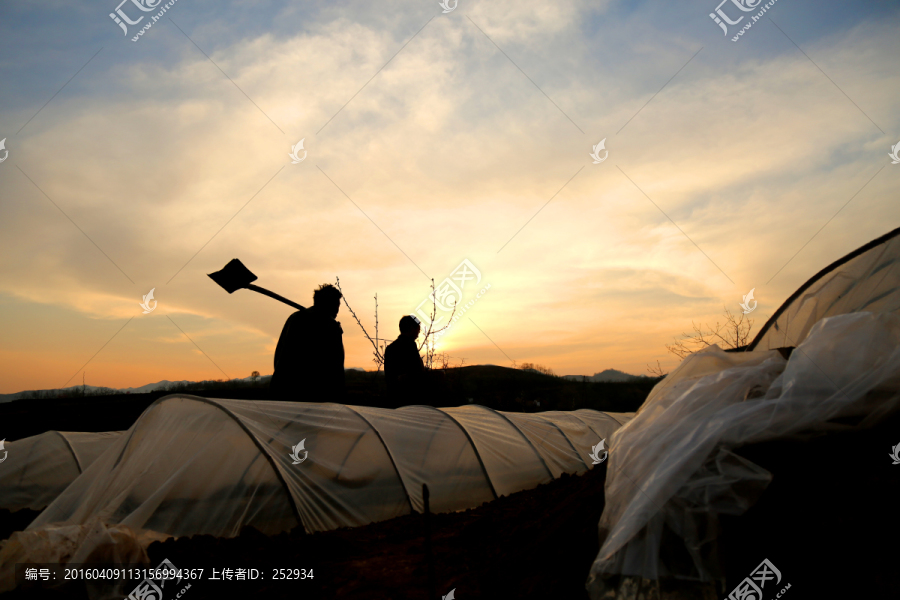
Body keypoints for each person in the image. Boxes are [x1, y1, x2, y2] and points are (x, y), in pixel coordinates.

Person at [270, 284, 345, 401]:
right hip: (315, 396)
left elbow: (279, 355)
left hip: (283, 391)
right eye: (336, 305)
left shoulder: (295, 318)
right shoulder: (330, 326)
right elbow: (335, 368)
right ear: (329, 304)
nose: (337, 310)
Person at [384, 315, 426, 408]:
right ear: (411, 328)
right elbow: (418, 372)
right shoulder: (410, 345)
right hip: (410, 398)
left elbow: (389, 377)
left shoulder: (390, 348)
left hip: (394, 398)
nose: (419, 332)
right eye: (417, 329)